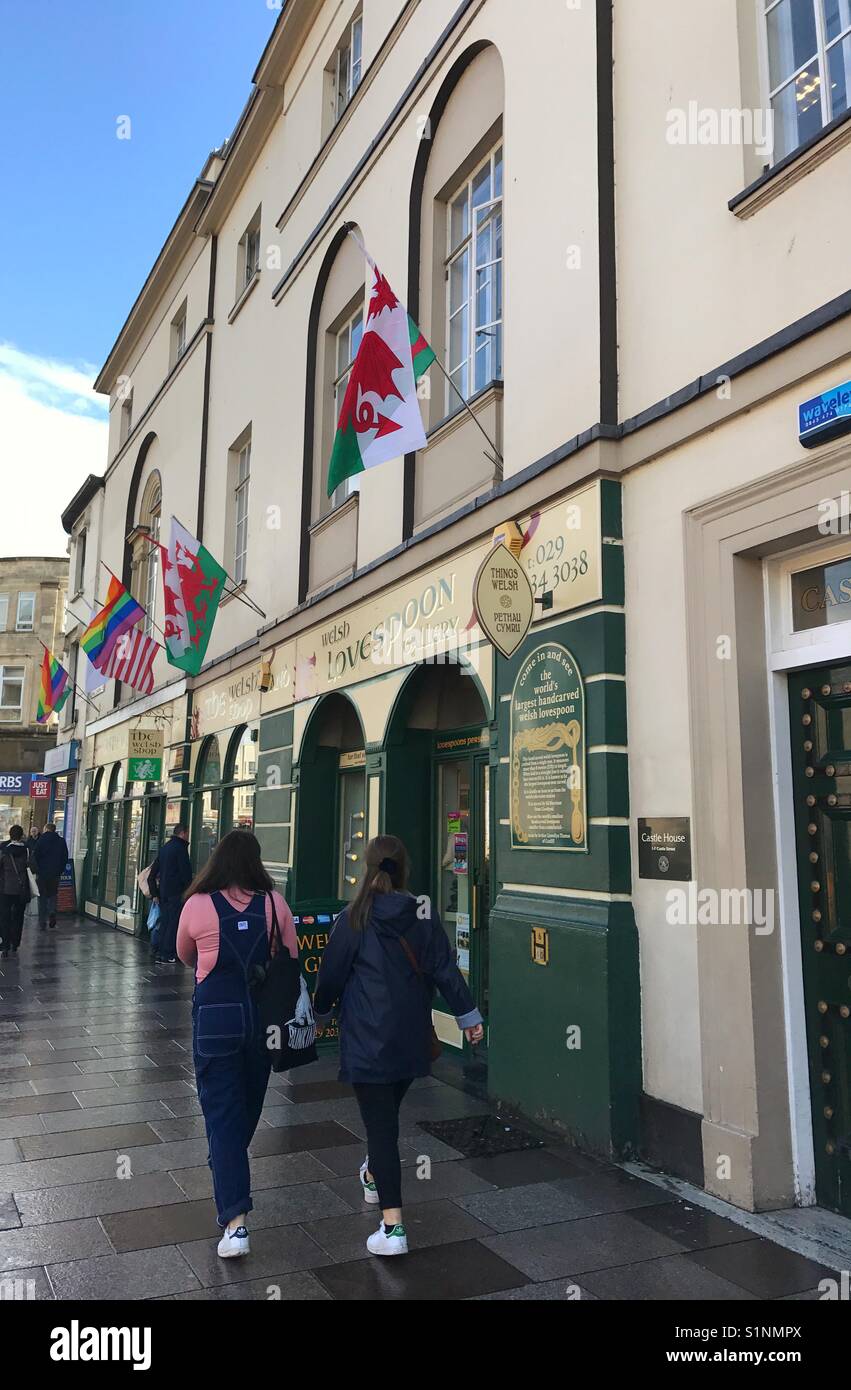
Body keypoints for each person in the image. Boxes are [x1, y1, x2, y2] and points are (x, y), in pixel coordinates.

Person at [313, 834, 484, 1258]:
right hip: (410, 1042)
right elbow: (446, 968)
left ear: (366, 868)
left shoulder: (352, 918)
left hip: (367, 1041)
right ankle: (373, 1174)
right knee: (384, 1118)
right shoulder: (422, 916)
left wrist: (319, 1011)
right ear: (403, 868)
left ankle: (393, 1228)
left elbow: (331, 976)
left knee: (382, 1128)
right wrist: (468, 1017)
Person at [177, 830, 298, 1259]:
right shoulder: (275, 903)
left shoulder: (197, 905)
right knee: (247, 1108)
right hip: (262, 1024)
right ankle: (228, 1165)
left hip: (216, 1021)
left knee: (223, 1114)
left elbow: (185, 955)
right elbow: (291, 956)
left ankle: (235, 1222)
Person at [149, 825, 192, 963]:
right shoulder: (181, 849)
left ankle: (159, 951)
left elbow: (153, 873)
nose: (188, 836)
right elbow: (185, 873)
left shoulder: (165, 848)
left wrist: (155, 893)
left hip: (163, 893)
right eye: (188, 833)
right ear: (183, 833)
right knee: (173, 923)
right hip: (176, 893)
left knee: (165, 922)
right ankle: (168, 953)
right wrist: (190, 889)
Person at [0, 826, 33, 958]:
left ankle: (5, 944)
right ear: (21, 835)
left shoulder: (3, 849)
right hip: (22, 889)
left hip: (4, 889)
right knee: (18, 917)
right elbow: (34, 867)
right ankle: (15, 943)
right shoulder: (27, 849)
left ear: (10, 834)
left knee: (4, 916)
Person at [31, 821, 69, 932]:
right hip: (55, 873)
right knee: (53, 894)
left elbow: (35, 856)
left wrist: (37, 870)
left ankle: (42, 922)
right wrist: (60, 870)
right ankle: (52, 911)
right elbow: (65, 857)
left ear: (46, 829)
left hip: (42, 873)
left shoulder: (41, 840)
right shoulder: (61, 841)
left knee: (41, 897)